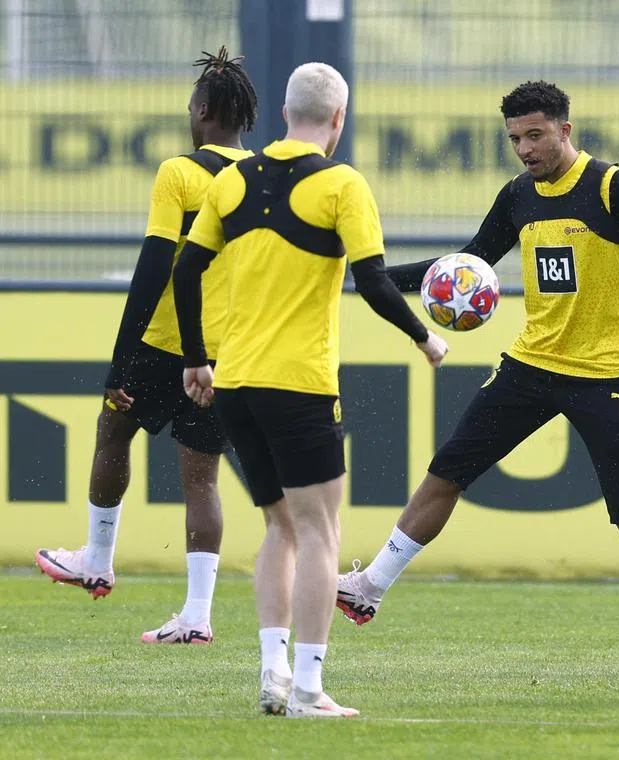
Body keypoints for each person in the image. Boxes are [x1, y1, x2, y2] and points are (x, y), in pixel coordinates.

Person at [334, 80, 619, 679]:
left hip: (601, 375)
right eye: (514, 139)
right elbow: (467, 262)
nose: (525, 148)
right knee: (446, 471)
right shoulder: (517, 196)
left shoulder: (613, 188)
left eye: (535, 135)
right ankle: (370, 586)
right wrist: (368, 276)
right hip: (530, 367)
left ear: (565, 131)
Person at [172, 61, 448, 718]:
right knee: (320, 532)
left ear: (283, 114)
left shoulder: (233, 179)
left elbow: (187, 270)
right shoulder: (341, 185)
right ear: (338, 120)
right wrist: (424, 338)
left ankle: (273, 672)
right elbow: (375, 282)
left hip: (234, 381)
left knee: (279, 528)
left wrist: (195, 359)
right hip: (300, 385)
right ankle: (307, 688)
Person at [35, 48, 258, 645]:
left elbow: (154, 267)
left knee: (113, 431)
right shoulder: (263, 179)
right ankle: (197, 615)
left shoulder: (179, 173)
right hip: (227, 351)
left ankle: (98, 560)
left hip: (163, 343)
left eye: (191, 107)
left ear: (204, 109)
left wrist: (119, 359)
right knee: (202, 479)